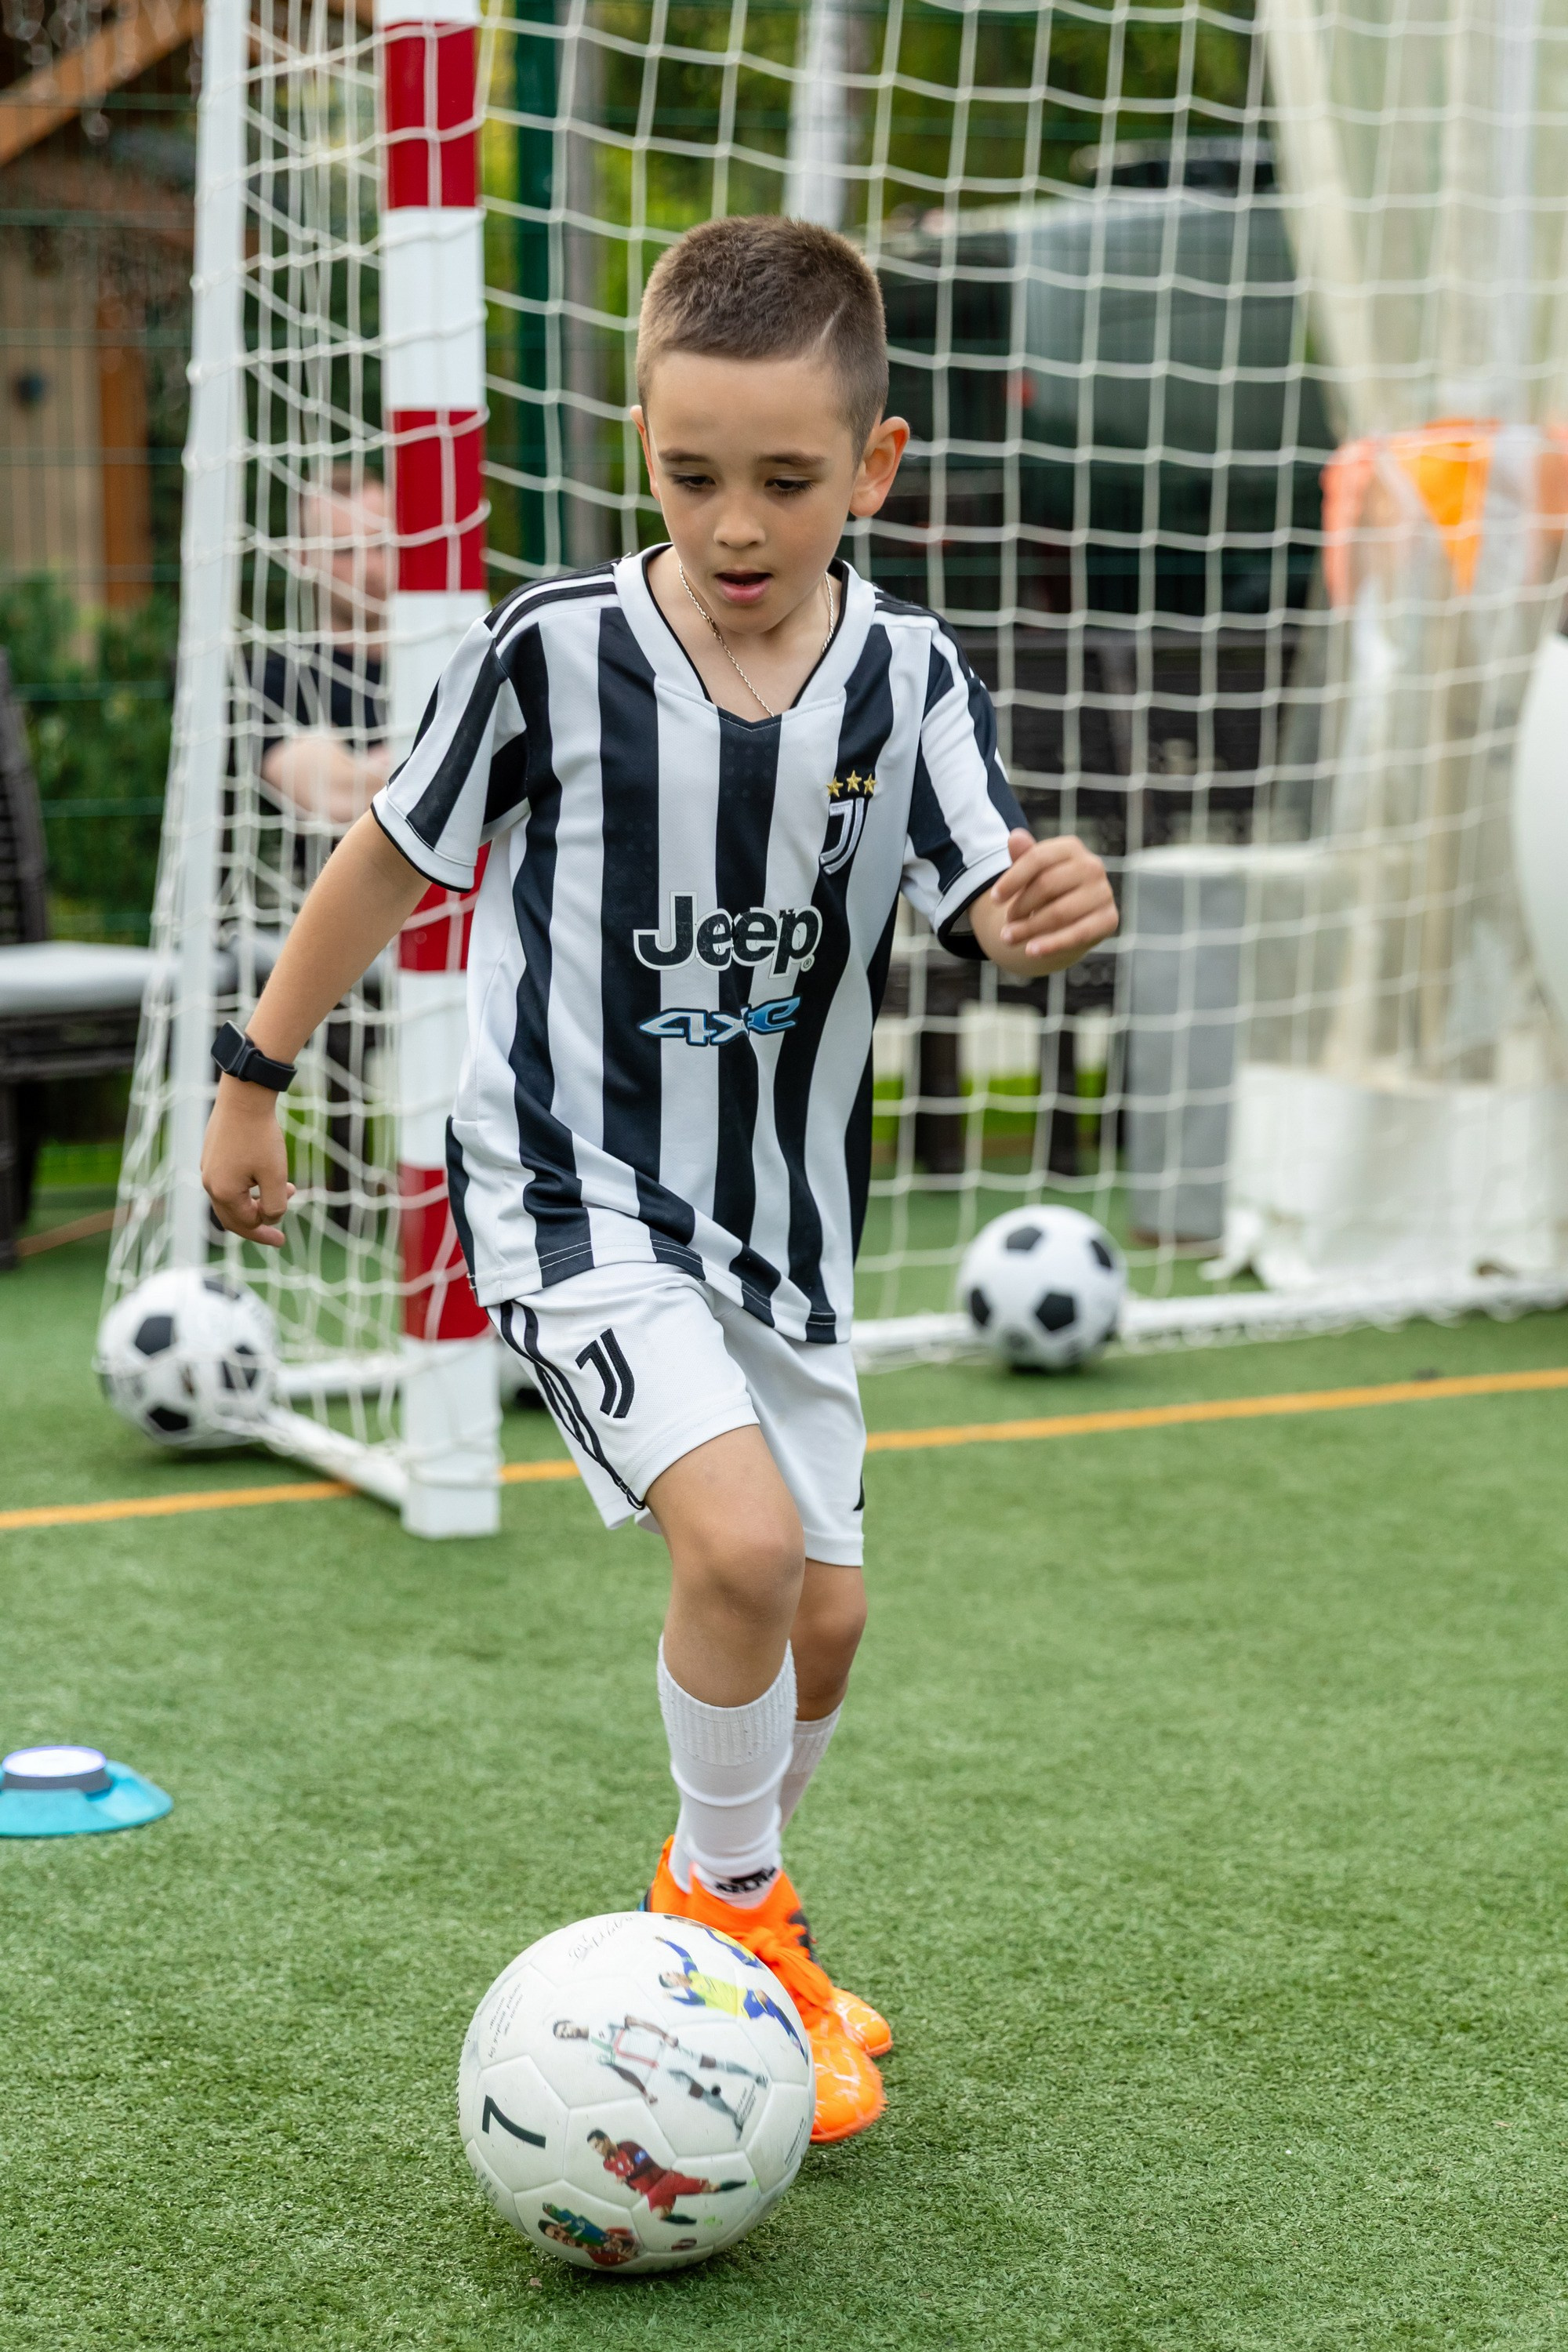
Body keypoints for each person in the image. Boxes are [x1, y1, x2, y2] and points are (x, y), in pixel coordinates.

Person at [201, 216, 1119, 2149]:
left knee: (826, 1622)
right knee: (743, 1554)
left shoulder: (909, 677)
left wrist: (1041, 911)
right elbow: (384, 859)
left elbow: (983, 890)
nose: (733, 522)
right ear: (643, 444)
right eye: (691, 475)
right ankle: (732, 1936)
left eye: (783, 478)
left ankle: (721, 1896)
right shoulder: (552, 653)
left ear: (871, 466)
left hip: (781, 1231)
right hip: (570, 1192)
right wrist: (253, 1079)